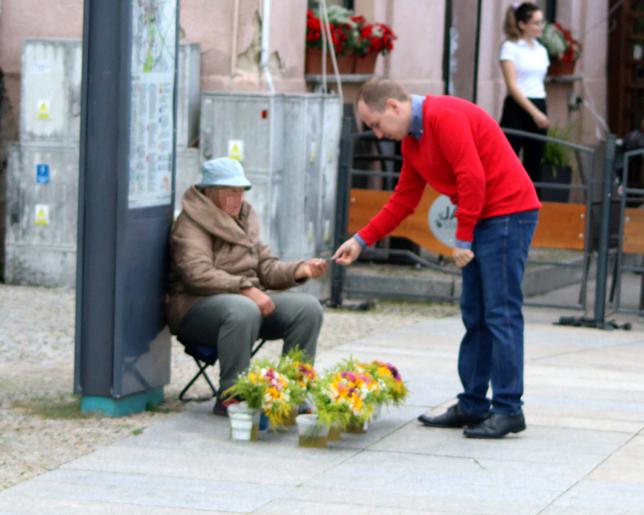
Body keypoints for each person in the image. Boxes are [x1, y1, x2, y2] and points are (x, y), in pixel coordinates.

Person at [332, 78, 541, 438]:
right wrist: (361, 239)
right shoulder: (413, 139)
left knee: (501, 312)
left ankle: (509, 409)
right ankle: (474, 404)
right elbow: (403, 199)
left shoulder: (443, 116)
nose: (378, 135)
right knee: (475, 314)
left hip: (508, 213)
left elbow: (471, 176)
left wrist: (462, 236)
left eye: (377, 124)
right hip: (485, 218)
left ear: (394, 107)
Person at [166, 157, 328, 416]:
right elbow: (197, 274)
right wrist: (246, 289)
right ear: (208, 191)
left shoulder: (244, 219)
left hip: (245, 306)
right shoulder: (190, 223)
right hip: (194, 308)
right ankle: (233, 396)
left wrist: (300, 269)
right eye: (230, 191)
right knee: (242, 309)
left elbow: (266, 268)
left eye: (241, 191)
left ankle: (293, 392)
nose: (238, 197)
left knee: (307, 308)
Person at [498, 2, 550, 189]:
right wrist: (535, 113)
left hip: (539, 101)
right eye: (536, 23)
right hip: (517, 106)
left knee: (534, 162)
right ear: (522, 24)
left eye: (541, 22)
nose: (540, 27)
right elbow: (512, 86)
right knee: (508, 160)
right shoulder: (510, 48)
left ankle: (532, 208)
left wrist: (540, 111)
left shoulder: (541, 50)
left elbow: (539, 81)